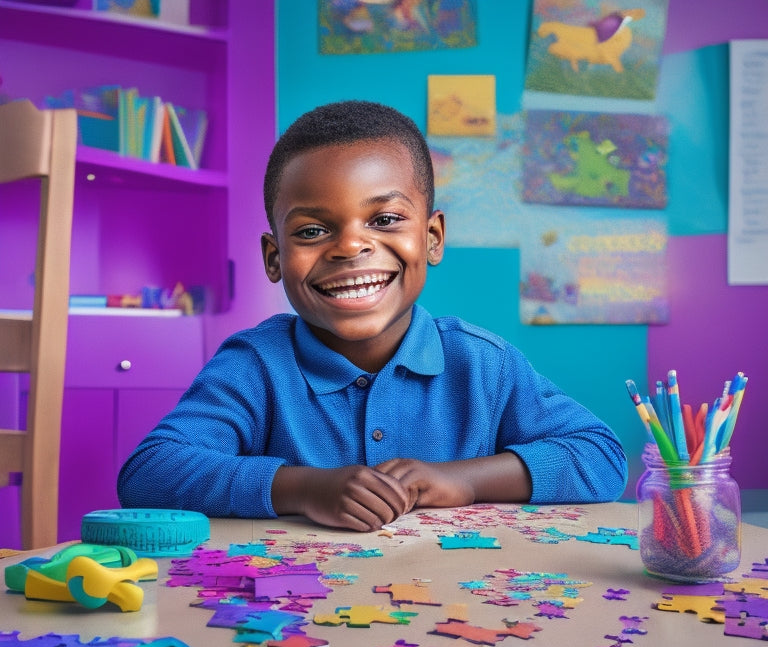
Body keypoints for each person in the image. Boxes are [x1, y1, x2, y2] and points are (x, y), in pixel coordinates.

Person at [117, 100, 627, 532]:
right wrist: (302, 488)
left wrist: (464, 479)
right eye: (313, 231)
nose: (351, 246)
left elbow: (602, 458)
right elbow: (148, 473)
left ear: (431, 239)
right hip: (293, 619)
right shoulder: (255, 365)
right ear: (274, 258)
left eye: (384, 219)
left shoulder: (482, 364)